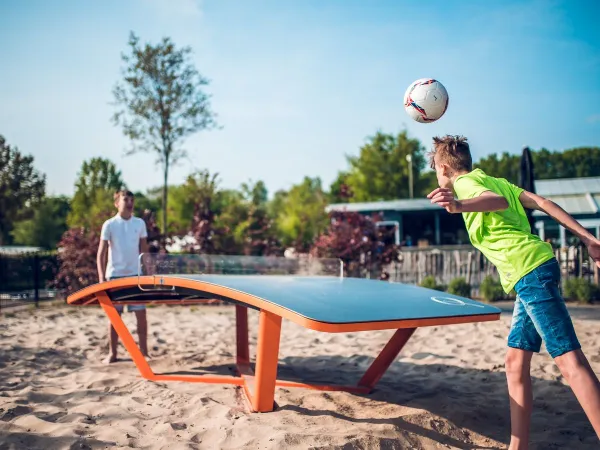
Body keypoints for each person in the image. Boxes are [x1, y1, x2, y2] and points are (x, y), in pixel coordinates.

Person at [426, 135, 600, 449]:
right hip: (532, 272)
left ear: (443, 167)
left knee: (569, 362)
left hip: (530, 270)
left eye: (436, 171)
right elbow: (544, 204)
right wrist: (588, 238)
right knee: (514, 363)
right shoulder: (498, 181)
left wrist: (459, 205)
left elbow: (497, 202)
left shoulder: (466, 185)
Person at [97, 189, 149, 364]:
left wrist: (147, 273)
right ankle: (113, 354)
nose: (129, 203)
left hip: (136, 276)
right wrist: (101, 278)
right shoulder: (109, 225)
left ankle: (145, 352)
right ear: (117, 203)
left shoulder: (139, 223)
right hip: (115, 276)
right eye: (125, 199)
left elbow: (145, 250)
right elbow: (101, 253)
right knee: (115, 318)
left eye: (132, 200)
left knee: (141, 315)